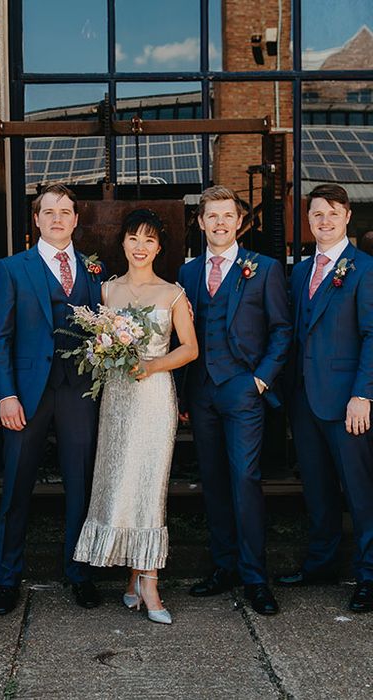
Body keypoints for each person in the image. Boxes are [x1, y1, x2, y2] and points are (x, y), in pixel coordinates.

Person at [73, 209, 198, 624]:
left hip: (153, 396)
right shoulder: (107, 292)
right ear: (123, 243)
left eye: (149, 240)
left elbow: (190, 348)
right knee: (119, 479)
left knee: (149, 482)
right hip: (117, 398)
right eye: (133, 238)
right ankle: (131, 577)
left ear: (159, 247)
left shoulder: (172, 293)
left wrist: (151, 365)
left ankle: (150, 580)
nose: (140, 247)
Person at [0, 183, 105, 616]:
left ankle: (80, 573)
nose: (57, 218)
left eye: (65, 211)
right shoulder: (13, 268)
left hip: (78, 393)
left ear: (76, 220)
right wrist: (6, 395)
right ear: (36, 220)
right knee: (16, 487)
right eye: (48, 211)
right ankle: (6, 578)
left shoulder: (93, 271)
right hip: (27, 394)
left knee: (80, 485)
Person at [178, 185, 291, 616]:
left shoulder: (263, 269)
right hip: (202, 392)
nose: (220, 223)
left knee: (245, 478)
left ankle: (254, 576)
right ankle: (223, 566)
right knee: (214, 480)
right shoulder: (187, 274)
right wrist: (185, 392)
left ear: (240, 222)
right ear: (201, 222)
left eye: (228, 216)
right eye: (212, 216)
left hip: (243, 389)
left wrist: (260, 380)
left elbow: (282, 329)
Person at [276, 184, 373, 613]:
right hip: (305, 400)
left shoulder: (365, 269)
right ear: (308, 220)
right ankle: (321, 563)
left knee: (360, 492)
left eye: (333, 213)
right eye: (317, 214)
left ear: (347, 216)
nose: (325, 221)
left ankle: (368, 576)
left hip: (347, 401)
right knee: (316, 489)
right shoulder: (298, 272)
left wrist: (362, 394)